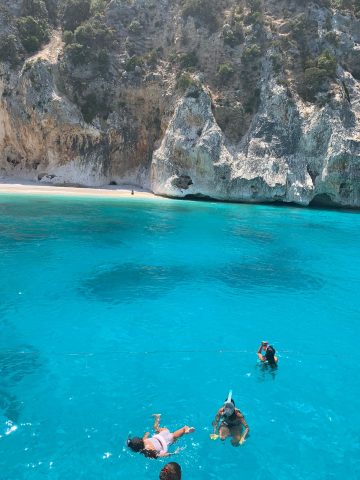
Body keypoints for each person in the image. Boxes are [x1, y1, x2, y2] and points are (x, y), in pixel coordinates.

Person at [127, 414, 194, 459]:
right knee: (156, 428)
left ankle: (184, 430)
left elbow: (160, 455)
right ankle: (158, 417)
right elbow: (146, 434)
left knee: (174, 437)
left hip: (166, 442)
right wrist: (147, 434)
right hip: (162, 434)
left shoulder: (147, 452)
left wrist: (173, 453)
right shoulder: (144, 440)